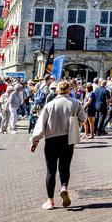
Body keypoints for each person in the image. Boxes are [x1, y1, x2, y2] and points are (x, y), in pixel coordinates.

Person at [31, 81, 87, 210]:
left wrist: (35, 141)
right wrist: (76, 124)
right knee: (65, 166)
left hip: (51, 139)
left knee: (51, 170)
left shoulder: (50, 105)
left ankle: (50, 201)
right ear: (69, 90)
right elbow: (83, 119)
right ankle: (64, 187)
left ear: (57, 90)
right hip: (68, 139)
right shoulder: (75, 103)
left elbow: (40, 126)